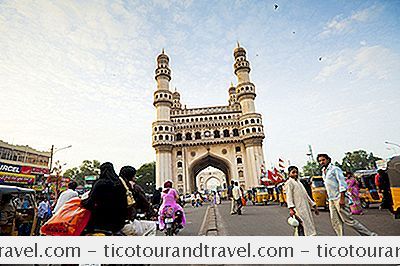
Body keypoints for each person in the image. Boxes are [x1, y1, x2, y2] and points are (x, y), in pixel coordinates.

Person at [317, 154, 377, 236]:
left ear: (328, 160)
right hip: (331, 199)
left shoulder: (335, 169)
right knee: (335, 221)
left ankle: (370, 235)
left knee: (349, 221)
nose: (321, 162)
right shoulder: (324, 171)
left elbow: (342, 184)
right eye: (320, 161)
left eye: (323, 160)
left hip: (339, 197)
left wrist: (342, 199)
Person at [82, 162, 128, 234]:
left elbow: (90, 202)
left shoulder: (99, 183)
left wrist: (82, 203)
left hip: (100, 222)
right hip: (118, 222)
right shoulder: (120, 183)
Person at [284, 166, 319, 236]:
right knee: (301, 226)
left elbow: (306, 195)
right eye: (293, 172)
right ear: (289, 174)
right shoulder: (289, 183)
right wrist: (291, 209)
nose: (295, 174)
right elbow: (289, 196)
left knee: (308, 225)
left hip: (305, 208)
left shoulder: (299, 182)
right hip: (297, 209)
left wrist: (313, 205)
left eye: (296, 172)